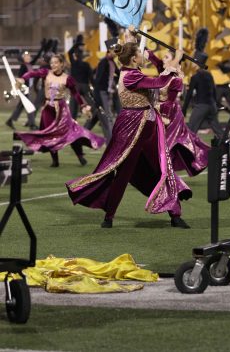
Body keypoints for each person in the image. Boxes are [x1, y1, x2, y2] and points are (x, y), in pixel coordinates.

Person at [66, 41, 192, 229]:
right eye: (140, 54)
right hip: (131, 127)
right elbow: (160, 82)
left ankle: (175, 214)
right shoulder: (130, 76)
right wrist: (177, 59)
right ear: (134, 58)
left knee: (162, 169)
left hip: (149, 125)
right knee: (123, 173)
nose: (143, 56)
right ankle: (109, 216)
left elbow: (159, 74)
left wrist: (155, 56)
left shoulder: (135, 72)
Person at [14, 54, 105, 167]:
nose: (53, 65)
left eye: (56, 62)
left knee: (72, 133)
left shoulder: (67, 78)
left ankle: (80, 156)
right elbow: (32, 73)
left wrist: (83, 106)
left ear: (62, 64)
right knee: (50, 135)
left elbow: (75, 94)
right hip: (48, 109)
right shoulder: (46, 73)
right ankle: (55, 160)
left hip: (62, 109)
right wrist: (23, 78)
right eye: (52, 63)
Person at [147, 49, 210, 176]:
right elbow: (157, 62)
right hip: (160, 111)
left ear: (174, 61)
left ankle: (164, 172)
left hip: (170, 114)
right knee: (167, 142)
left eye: (166, 57)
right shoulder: (164, 72)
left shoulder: (175, 78)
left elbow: (170, 101)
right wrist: (147, 52)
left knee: (168, 143)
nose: (163, 59)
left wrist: (163, 115)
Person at [84, 37, 120, 142]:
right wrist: (97, 96)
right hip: (101, 93)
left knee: (96, 116)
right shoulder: (104, 62)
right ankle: (111, 141)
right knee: (107, 116)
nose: (116, 52)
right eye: (115, 50)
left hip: (107, 93)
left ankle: (81, 134)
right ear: (109, 50)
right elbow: (98, 79)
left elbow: (118, 74)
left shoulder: (112, 62)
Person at [182, 53, 224, 139]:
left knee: (191, 129)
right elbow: (214, 91)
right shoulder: (209, 75)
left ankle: (188, 150)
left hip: (201, 106)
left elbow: (189, 95)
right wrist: (216, 104)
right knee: (218, 131)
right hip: (211, 106)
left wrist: (184, 109)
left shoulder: (195, 77)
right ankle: (227, 146)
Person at [6, 49, 43, 130]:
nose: (29, 57)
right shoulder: (23, 66)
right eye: (27, 56)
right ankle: (32, 124)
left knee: (20, 107)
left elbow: (36, 58)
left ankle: (10, 121)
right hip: (24, 89)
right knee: (30, 106)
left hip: (27, 89)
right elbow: (20, 77)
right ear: (23, 58)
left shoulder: (29, 65)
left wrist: (41, 49)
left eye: (29, 56)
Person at [68, 35, 94, 120]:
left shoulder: (74, 63)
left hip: (76, 86)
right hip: (85, 86)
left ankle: (73, 119)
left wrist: (77, 44)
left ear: (76, 55)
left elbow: (69, 52)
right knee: (91, 103)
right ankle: (94, 115)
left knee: (73, 105)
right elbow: (91, 77)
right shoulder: (86, 65)